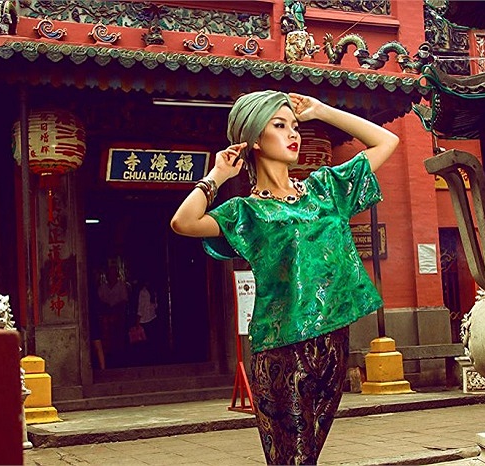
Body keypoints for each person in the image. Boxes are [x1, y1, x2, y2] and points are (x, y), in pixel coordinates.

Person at [170, 90, 399, 465]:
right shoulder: (246, 212)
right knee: (293, 460)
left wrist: (322, 111)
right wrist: (217, 175)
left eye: (294, 126)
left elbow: (387, 141)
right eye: (279, 125)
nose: (294, 133)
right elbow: (184, 222)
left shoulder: (325, 190)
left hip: (334, 342)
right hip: (282, 349)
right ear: (255, 139)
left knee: (307, 456)